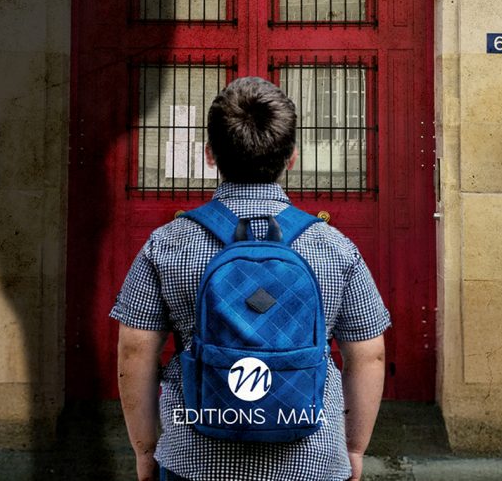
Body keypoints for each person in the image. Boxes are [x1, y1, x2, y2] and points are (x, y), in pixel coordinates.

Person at [110, 77, 391, 481]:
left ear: (210, 155)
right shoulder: (332, 246)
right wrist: (353, 448)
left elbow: (135, 352)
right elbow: (368, 355)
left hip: (195, 458)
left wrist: (146, 450)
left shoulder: (167, 243)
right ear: (291, 158)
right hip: (310, 459)